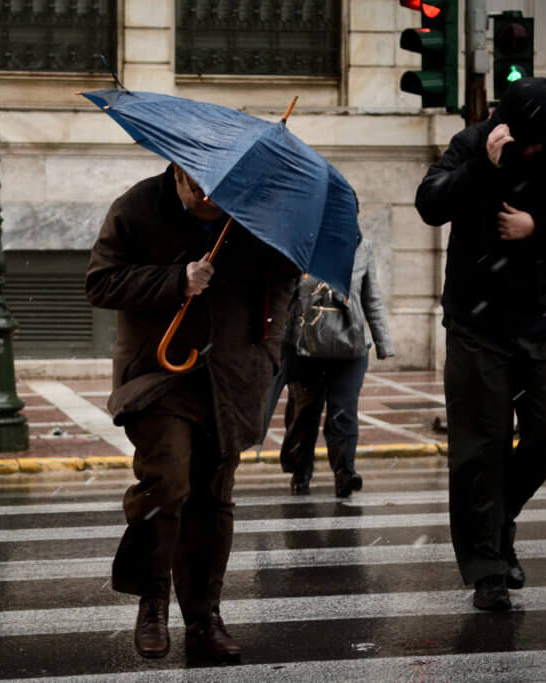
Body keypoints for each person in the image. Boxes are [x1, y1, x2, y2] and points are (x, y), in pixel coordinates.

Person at [85, 163, 297, 662]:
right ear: (177, 172)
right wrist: (175, 280)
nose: (208, 201)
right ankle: (153, 599)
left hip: (231, 376)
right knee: (168, 481)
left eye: (219, 192)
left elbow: (283, 282)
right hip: (157, 374)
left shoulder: (257, 212)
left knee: (213, 497)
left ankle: (204, 619)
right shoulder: (138, 206)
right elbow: (101, 282)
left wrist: (268, 355)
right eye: (197, 190)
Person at [413, 78, 546, 611]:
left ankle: (499, 518)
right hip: (477, 325)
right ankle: (488, 572)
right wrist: (483, 170)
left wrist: (537, 229)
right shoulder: (472, 145)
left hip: (543, 320)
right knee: (480, 448)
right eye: (534, 143)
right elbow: (429, 204)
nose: (542, 152)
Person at [278, 232, 395, 497]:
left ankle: (345, 474)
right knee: (305, 413)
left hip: (350, 346)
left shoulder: (363, 247)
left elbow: (371, 297)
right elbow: (288, 295)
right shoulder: (303, 243)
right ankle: (301, 472)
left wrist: (383, 343)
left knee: (344, 411)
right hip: (306, 348)